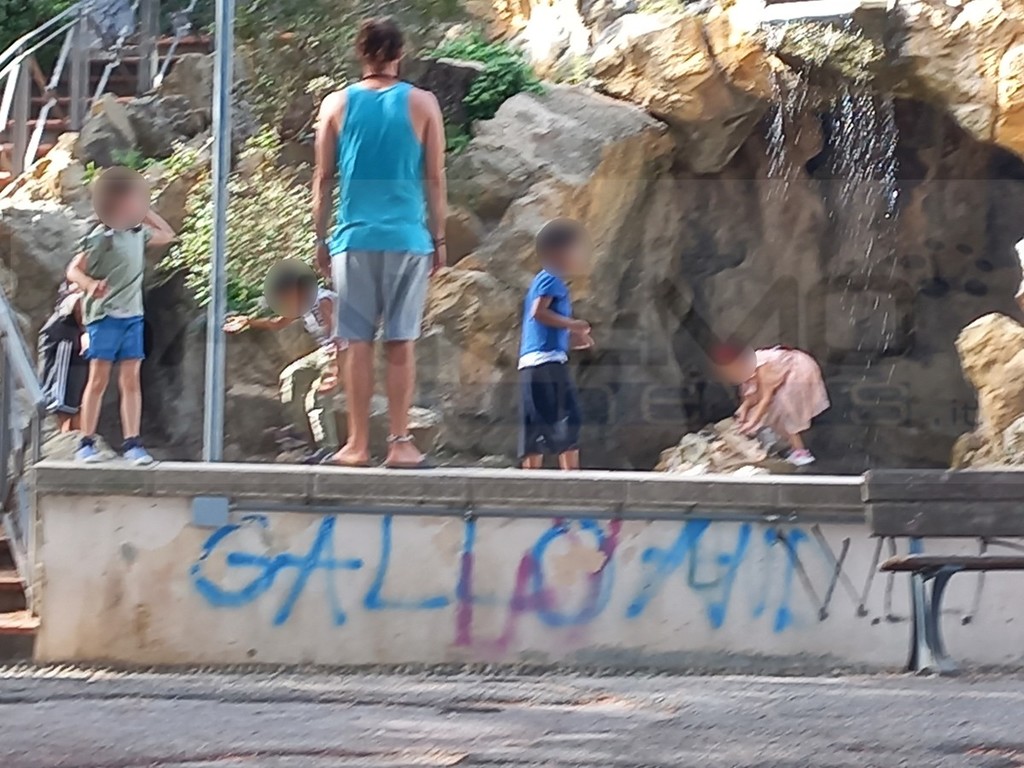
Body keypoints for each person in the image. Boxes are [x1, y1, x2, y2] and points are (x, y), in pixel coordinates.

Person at [313, 16, 447, 469]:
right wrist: (440, 237)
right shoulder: (423, 103)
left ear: (361, 53)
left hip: (353, 238)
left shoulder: (335, 104)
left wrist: (319, 238)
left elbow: (323, 178)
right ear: (400, 53)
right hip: (408, 237)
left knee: (356, 342)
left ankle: (355, 445)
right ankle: (399, 442)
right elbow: (434, 177)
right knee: (401, 341)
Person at [66, 168, 177, 464]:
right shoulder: (101, 236)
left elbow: (168, 235)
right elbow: (73, 270)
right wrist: (90, 285)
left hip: (133, 317)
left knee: (131, 380)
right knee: (99, 379)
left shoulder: (139, 234)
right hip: (104, 317)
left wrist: (145, 211)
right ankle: (85, 442)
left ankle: (133, 443)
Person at [224, 272, 344, 464]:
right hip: (323, 350)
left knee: (317, 398)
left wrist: (335, 368)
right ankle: (300, 435)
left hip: (341, 350)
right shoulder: (302, 303)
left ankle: (328, 449)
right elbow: (278, 323)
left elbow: (339, 334)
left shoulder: (323, 300)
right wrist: (248, 321)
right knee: (291, 375)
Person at [518, 219, 593, 471]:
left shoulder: (542, 280)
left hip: (531, 364)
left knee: (534, 424)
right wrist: (573, 324)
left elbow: (541, 326)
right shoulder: (552, 278)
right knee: (569, 417)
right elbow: (538, 312)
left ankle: (530, 481)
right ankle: (573, 479)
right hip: (547, 363)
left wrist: (571, 339)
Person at [711, 341, 829, 467]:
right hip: (780, 377)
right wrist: (743, 414)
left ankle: (800, 451)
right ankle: (779, 443)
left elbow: (765, 398)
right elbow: (751, 397)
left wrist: (751, 423)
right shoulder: (747, 373)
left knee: (783, 407)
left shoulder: (762, 365)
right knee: (765, 408)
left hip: (797, 373)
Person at [37, 281, 88, 433]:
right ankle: (65, 435)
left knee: (78, 396)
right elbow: (77, 305)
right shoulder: (75, 280)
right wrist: (85, 329)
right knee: (62, 399)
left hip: (76, 339)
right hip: (64, 338)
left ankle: (77, 435)